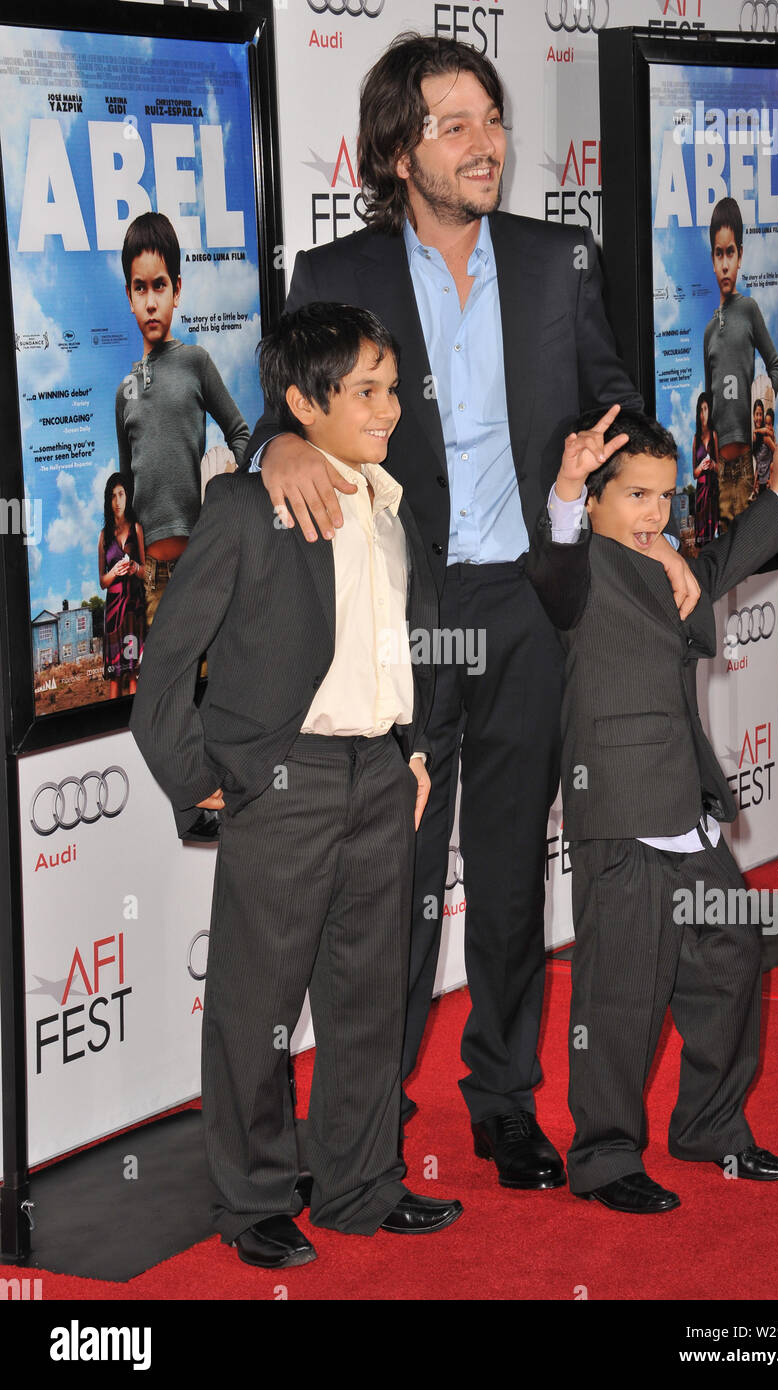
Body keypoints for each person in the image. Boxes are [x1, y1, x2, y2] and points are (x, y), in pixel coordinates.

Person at [243, 32, 698, 1191]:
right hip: (399, 616)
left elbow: (615, 394)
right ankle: (367, 1122)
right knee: (391, 883)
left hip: (528, 603)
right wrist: (289, 437)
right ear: (397, 151)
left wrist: (639, 494)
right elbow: (279, 414)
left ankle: (503, 1102)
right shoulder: (336, 275)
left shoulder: (558, 261)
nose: (485, 141)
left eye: (491, 118)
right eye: (454, 124)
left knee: (505, 879)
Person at [130, 302, 462, 1269]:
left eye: (393, 388)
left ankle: (362, 1185)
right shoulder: (246, 504)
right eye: (366, 391)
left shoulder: (395, 503)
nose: (390, 408)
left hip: (376, 775)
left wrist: (410, 751)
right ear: (303, 403)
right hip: (286, 779)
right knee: (256, 1007)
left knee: (368, 1000)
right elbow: (166, 666)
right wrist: (202, 781)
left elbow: (400, 647)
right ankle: (254, 1200)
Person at [526, 405, 778, 1213]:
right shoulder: (579, 573)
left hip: (684, 814)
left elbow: (718, 564)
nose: (655, 513)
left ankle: (709, 1127)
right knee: (621, 992)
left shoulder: (670, 565)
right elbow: (551, 559)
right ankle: (606, 1158)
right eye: (636, 497)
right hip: (618, 815)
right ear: (595, 504)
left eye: (664, 496)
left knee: (730, 953)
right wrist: (566, 485)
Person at [115, 211, 250, 630]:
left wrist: (224, 483)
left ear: (177, 290)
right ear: (130, 295)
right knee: (166, 691)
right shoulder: (123, 394)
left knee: (212, 683)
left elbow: (242, 434)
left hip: (204, 562)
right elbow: (127, 485)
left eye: (160, 285)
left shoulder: (196, 363)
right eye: (141, 288)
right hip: (152, 579)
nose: (151, 300)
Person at [703, 197, 778, 532]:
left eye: (730, 252)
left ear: (740, 256)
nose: (724, 263)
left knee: (751, 557)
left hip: (750, 465)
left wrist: (761, 411)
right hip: (721, 471)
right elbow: (709, 401)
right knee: (721, 567)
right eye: (719, 253)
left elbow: (774, 365)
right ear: (712, 258)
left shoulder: (749, 309)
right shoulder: (707, 331)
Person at [98, 473, 146, 698]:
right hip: (113, 614)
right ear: (108, 501)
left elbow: (146, 573)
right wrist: (114, 572)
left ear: (127, 497)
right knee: (115, 676)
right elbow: (102, 582)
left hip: (133, 610)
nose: (117, 501)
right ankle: (112, 721)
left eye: (121, 494)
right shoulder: (103, 536)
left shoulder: (137, 529)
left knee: (133, 672)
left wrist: (135, 567)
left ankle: (133, 728)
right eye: (112, 496)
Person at [692, 391, 720, 547]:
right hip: (700, 489)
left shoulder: (714, 435)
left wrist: (713, 465)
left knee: (713, 527)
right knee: (701, 531)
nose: (703, 414)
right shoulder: (695, 439)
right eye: (700, 410)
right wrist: (701, 466)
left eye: (706, 409)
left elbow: (720, 467)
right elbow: (694, 474)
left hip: (712, 488)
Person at [753, 399, 776, 494]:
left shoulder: (766, 437)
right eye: (756, 414)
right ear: (753, 416)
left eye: (760, 414)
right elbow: (758, 462)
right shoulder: (756, 437)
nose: (758, 418)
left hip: (768, 484)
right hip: (760, 484)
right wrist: (755, 482)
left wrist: (772, 477)